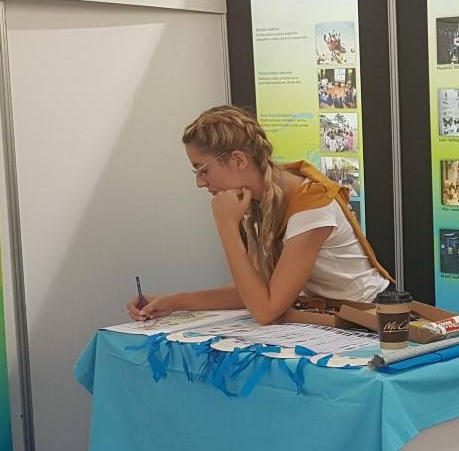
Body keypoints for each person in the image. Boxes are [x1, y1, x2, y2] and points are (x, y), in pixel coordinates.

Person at [127, 105, 392, 325]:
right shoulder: (258, 200)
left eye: (203, 170)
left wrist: (226, 228)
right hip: (328, 315)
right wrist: (174, 302)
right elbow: (257, 293)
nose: (200, 183)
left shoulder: (311, 207)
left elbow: (265, 310)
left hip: (370, 319)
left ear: (238, 160)